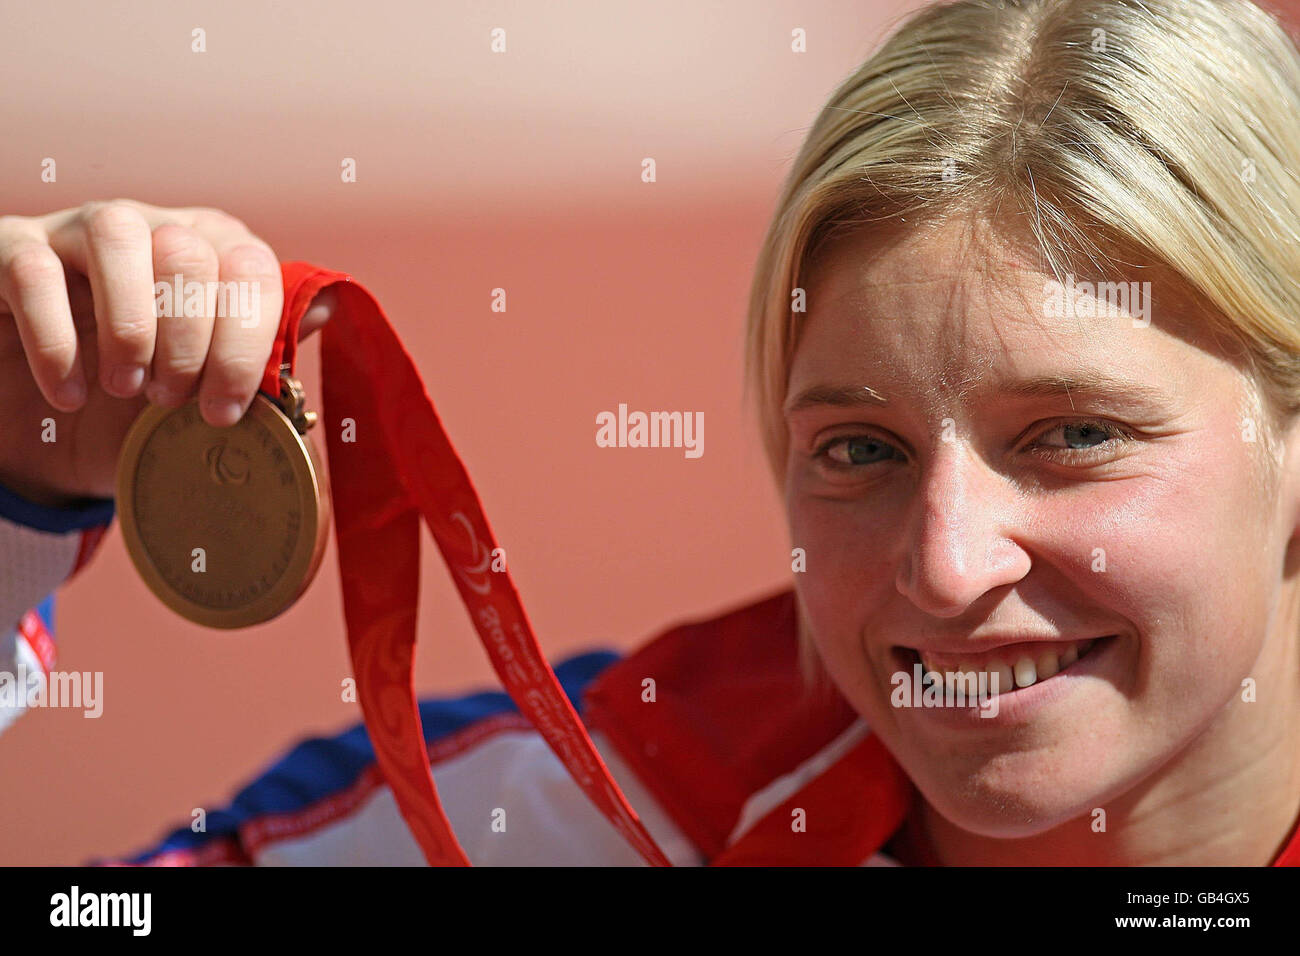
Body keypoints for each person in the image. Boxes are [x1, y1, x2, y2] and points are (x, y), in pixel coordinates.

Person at [3, 0, 1300, 865]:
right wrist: (13, 492)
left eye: (1072, 436)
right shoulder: (573, 812)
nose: (948, 568)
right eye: (860, 450)